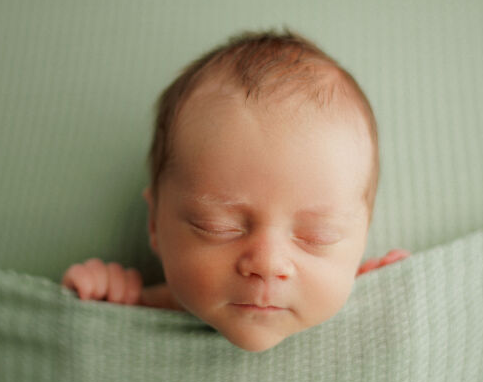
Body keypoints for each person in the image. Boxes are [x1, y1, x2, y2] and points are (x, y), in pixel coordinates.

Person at [62, 29, 409, 352]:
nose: (268, 264)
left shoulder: (349, 301)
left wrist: (373, 290)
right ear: (154, 222)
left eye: (318, 236)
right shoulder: (144, 309)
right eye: (218, 227)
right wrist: (108, 301)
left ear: (362, 236)